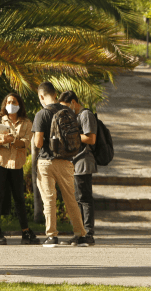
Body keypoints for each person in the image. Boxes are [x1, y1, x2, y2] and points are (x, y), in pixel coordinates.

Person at [32, 81, 88, 247]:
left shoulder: (41, 114)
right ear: (55, 94)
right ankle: (80, 235)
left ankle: (52, 236)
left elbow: (38, 143)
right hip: (66, 161)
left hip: (46, 162)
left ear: (42, 96)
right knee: (71, 198)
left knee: (49, 199)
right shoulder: (68, 111)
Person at [0, 92, 40, 245]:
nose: (11, 104)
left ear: (19, 104)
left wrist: (13, 140)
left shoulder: (26, 122)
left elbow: (26, 142)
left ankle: (25, 232)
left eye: (14, 101)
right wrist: (1, 139)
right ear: (4, 104)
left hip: (17, 163)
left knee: (19, 198)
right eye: (8, 101)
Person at [59, 90, 97, 246]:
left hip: (83, 161)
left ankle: (88, 233)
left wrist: (70, 135)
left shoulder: (85, 115)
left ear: (73, 103)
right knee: (76, 199)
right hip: (73, 162)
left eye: (66, 107)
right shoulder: (73, 117)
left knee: (84, 198)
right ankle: (78, 233)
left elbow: (91, 138)